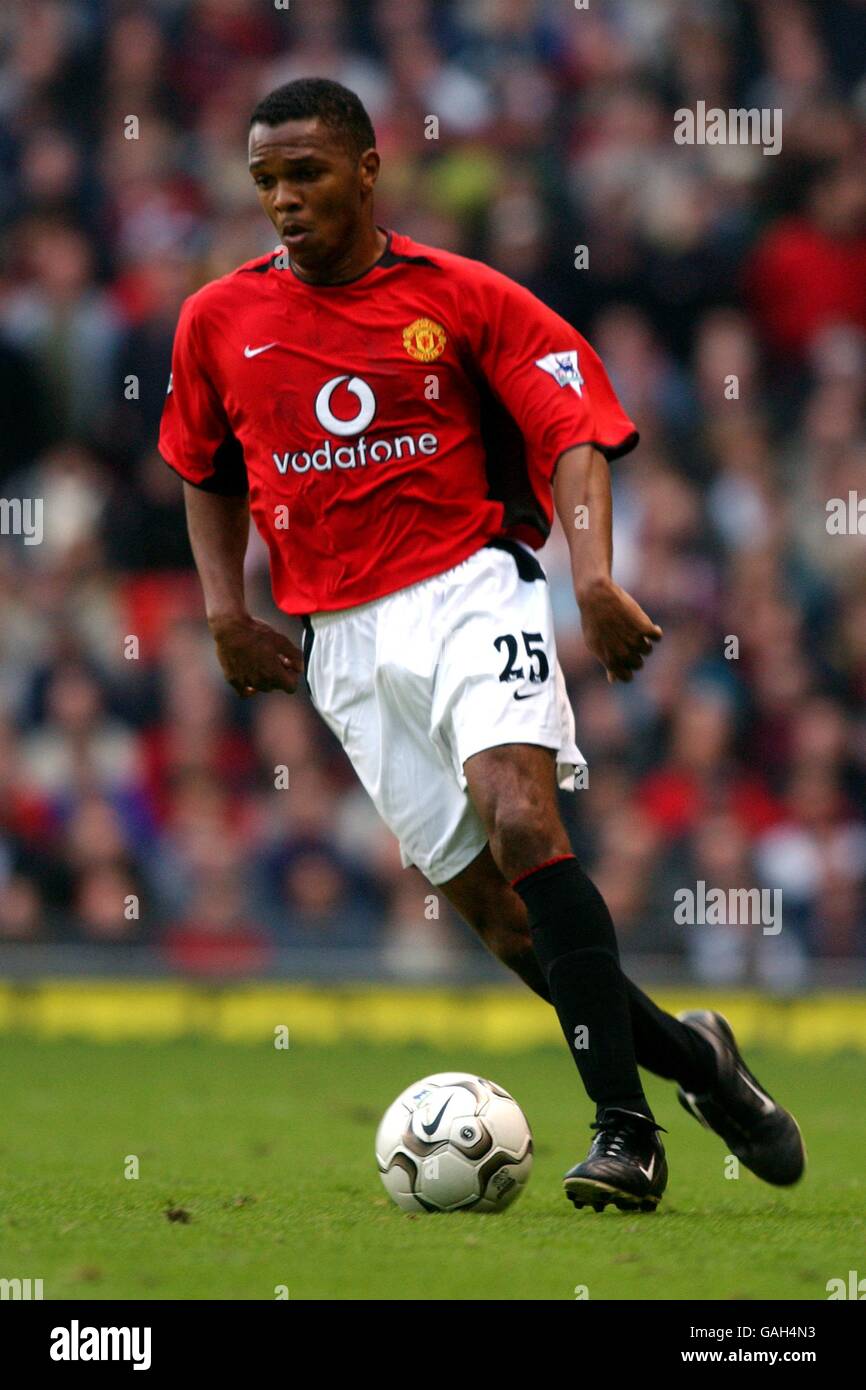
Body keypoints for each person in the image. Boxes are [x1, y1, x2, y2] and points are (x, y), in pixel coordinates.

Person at [159, 77, 804, 1212]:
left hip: (470, 585)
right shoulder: (218, 319)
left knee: (520, 813)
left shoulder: (461, 297)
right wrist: (222, 608)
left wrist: (590, 574)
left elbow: (575, 430)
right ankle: (697, 1059)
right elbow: (202, 467)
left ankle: (625, 1132)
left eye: (304, 172)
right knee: (503, 925)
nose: (282, 199)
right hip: (339, 644)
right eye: (263, 178)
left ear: (367, 169)